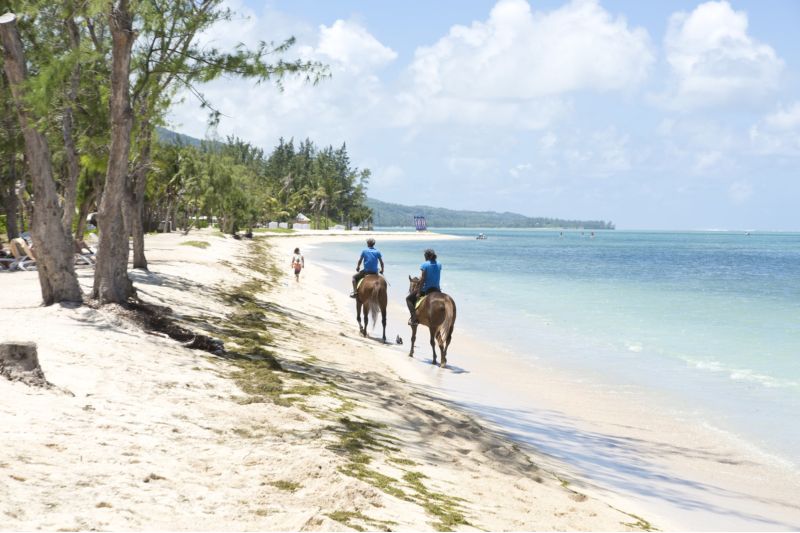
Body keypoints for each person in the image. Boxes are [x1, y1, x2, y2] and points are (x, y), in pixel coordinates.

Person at [406, 248, 442, 325]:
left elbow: (423, 279)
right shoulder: (439, 264)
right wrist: (415, 280)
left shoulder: (424, 265)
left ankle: (414, 318)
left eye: (424, 255)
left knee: (408, 299)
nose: (424, 257)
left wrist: (419, 292)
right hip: (437, 289)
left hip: (426, 289)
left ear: (427, 256)